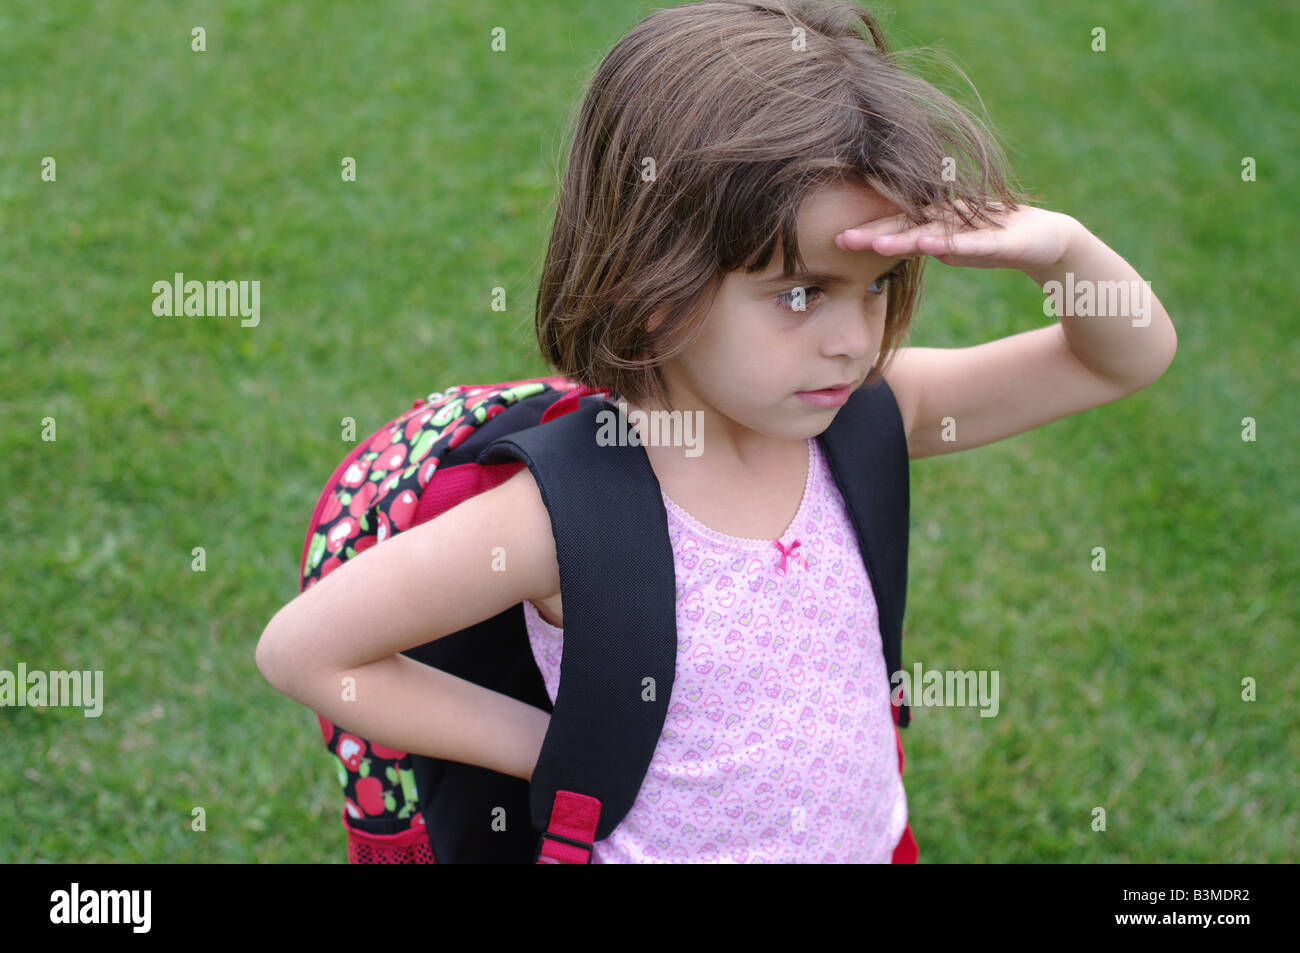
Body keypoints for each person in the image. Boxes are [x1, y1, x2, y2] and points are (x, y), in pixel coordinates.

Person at [255, 0, 1177, 863]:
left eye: (879, 287)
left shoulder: (863, 415)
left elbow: (1119, 358)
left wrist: (1061, 248)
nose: (853, 340)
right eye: (801, 293)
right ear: (656, 289)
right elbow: (306, 652)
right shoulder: (565, 517)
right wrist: (560, 748)